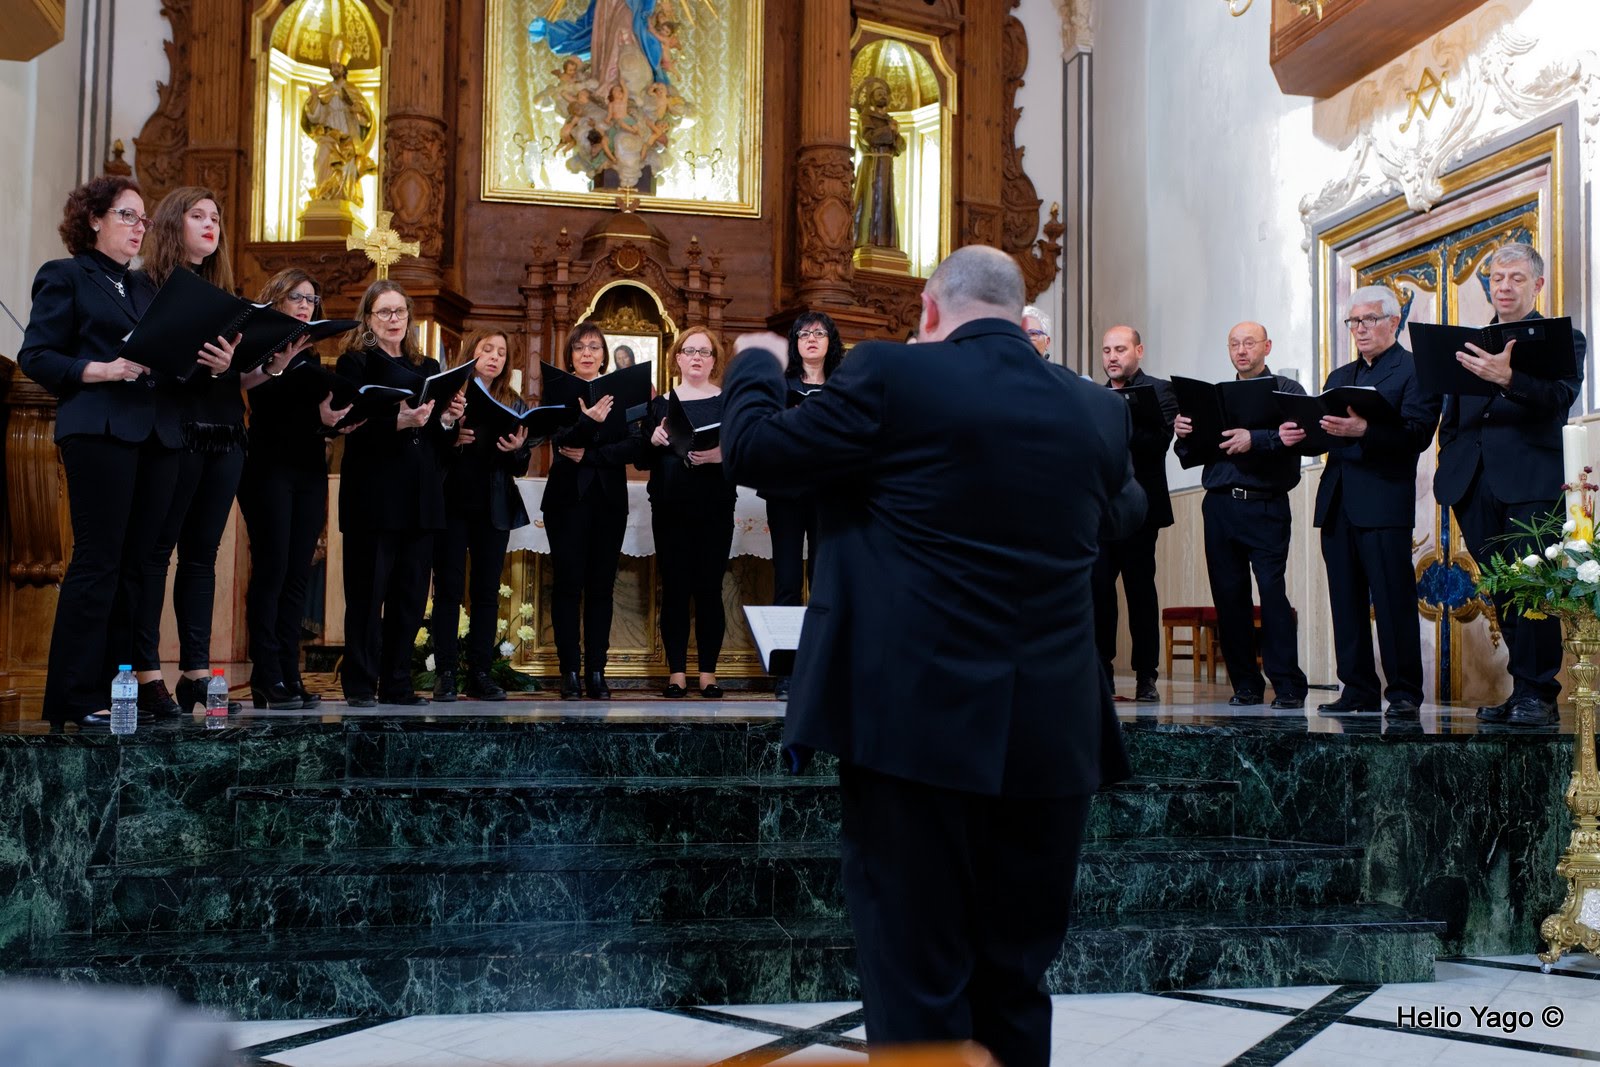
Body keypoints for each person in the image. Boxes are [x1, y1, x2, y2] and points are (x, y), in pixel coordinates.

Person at [722, 245, 1140, 1067]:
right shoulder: (1098, 412)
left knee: (917, 976)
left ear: (928, 308)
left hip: (914, 728)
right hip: (1053, 734)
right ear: (1022, 317)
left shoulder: (889, 378)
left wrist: (753, 367)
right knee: (1017, 974)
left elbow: (756, 452)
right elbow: (1119, 512)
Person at [17, 177, 190, 728]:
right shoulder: (66, 275)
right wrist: (102, 369)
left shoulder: (145, 289)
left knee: (139, 569)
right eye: (127, 215)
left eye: (143, 220)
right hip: (100, 428)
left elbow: (167, 358)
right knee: (98, 562)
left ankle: (120, 694)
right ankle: (73, 695)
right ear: (94, 219)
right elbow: (37, 355)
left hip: (155, 435)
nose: (139, 227)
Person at [1434, 243, 1586, 727]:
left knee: (1532, 590)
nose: (1504, 286)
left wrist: (1508, 378)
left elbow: (1558, 399)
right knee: (1501, 591)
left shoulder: (1565, 340)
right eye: (1497, 278)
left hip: (1530, 482)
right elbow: (1451, 415)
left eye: (1516, 278)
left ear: (1537, 285)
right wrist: (1452, 454)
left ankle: (1538, 694)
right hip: (1471, 482)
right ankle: (1521, 690)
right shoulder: (1468, 341)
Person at [1282, 285, 1441, 719]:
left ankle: (1405, 691)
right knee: (1345, 601)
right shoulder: (1339, 377)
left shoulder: (1414, 371)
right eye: (1354, 321)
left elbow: (1417, 435)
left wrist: (1364, 431)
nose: (1360, 329)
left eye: (1369, 320)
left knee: (1392, 600)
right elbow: (1324, 432)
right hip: (1337, 502)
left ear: (1394, 321)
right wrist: (1298, 438)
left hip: (1384, 501)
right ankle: (1357, 688)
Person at [130, 187, 246, 717]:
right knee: (157, 551)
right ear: (172, 224)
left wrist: (246, 365)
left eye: (216, 218)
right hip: (174, 429)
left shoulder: (225, 293)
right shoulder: (144, 286)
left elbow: (234, 371)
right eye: (197, 215)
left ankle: (196, 673)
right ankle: (148, 669)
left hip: (223, 429)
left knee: (203, 555)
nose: (209, 224)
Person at [336, 280, 466, 707]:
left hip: (421, 494)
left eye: (400, 312)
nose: (394, 320)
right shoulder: (355, 363)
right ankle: (359, 683)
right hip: (373, 495)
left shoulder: (428, 366)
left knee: (410, 597)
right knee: (367, 594)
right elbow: (347, 429)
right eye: (384, 312)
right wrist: (398, 422)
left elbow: (440, 444)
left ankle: (397, 682)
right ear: (368, 319)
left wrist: (447, 419)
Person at [238, 269, 359, 710]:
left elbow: (313, 416)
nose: (306, 305)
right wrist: (281, 366)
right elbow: (254, 399)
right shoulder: (257, 343)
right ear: (276, 300)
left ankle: (288, 673)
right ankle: (266, 672)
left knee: (296, 575)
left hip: (308, 470)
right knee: (271, 572)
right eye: (297, 297)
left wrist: (336, 421)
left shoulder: (311, 357)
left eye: (312, 298)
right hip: (268, 467)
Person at [1174, 322, 1309, 709]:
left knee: (1272, 595)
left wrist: (1257, 438)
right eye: (1234, 344)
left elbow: (1299, 434)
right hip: (1218, 504)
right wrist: (1183, 434)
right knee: (1229, 597)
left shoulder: (1287, 390)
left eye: (1249, 343)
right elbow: (1191, 455)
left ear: (1267, 345)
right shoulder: (1214, 397)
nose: (1241, 350)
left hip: (1265, 504)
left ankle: (1287, 685)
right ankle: (1245, 684)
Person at [431, 330, 533, 702]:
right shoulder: (451, 393)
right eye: (487, 349)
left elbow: (521, 466)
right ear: (470, 351)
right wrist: (449, 432)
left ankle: (479, 673)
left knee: (486, 593)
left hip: (493, 506)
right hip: (452, 502)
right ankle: (445, 673)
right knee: (448, 590)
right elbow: (429, 446)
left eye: (502, 352)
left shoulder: (514, 401)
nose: (494, 357)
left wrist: (518, 449)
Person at [541, 322, 640, 700]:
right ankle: (569, 671)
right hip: (566, 501)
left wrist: (592, 454)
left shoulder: (624, 390)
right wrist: (588, 422)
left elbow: (636, 446)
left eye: (595, 347)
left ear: (604, 354)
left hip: (609, 500)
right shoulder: (559, 391)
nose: (587, 353)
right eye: (580, 347)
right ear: (571, 355)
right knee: (567, 585)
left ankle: (597, 670)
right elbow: (560, 441)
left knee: (601, 588)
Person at [640, 327, 736, 699]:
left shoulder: (728, 402)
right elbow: (642, 459)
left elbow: (746, 453)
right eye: (689, 351)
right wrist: (653, 439)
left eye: (704, 352)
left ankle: (708, 673)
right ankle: (677, 672)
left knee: (710, 589)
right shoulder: (660, 405)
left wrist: (721, 454)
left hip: (714, 505)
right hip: (670, 507)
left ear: (714, 361)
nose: (696, 357)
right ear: (676, 357)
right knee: (676, 590)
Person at [1093, 324, 1177, 702]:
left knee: (1141, 592)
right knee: (1098, 594)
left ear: (1138, 351)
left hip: (1141, 509)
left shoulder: (1159, 390)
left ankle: (1147, 676)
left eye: (1120, 349)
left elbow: (1158, 442)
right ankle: (1102, 672)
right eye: (1107, 350)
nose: (1112, 357)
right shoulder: (1091, 395)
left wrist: (1113, 426)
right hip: (1099, 511)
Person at [763, 312, 843, 701]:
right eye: (804, 333)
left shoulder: (845, 387)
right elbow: (765, 433)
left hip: (830, 491)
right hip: (787, 493)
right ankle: (787, 671)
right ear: (795, 342)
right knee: (789, 578)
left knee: (827, 579)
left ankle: (827, 664)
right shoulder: (780, 386)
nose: (811, 339)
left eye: (819, 333)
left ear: (831, 341)